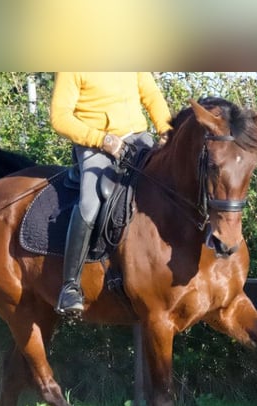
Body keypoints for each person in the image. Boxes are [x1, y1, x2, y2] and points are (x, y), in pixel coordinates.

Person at [50, 72, 172, 315]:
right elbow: (60, 117)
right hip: (96, 146)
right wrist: (102, 139)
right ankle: (70, 286)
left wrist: (166, 131)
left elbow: (151, 96)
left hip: (138, 140)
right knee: (90, 204)